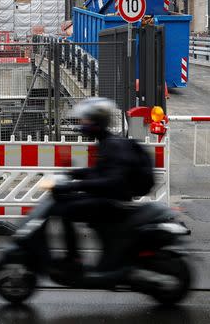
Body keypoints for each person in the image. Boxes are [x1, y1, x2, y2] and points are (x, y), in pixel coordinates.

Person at [41, 97, 154, 281]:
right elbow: (100, 172)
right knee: (65, 203)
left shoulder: (111, 145)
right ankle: (76, 258)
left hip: (112, 201)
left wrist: (75, 184)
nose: (83, 124)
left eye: (86, 120)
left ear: (97, 122)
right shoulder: (106, 142)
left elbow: (111, 180)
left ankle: (73, 259)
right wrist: (73, 174)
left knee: (64, 209)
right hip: (109, 197)